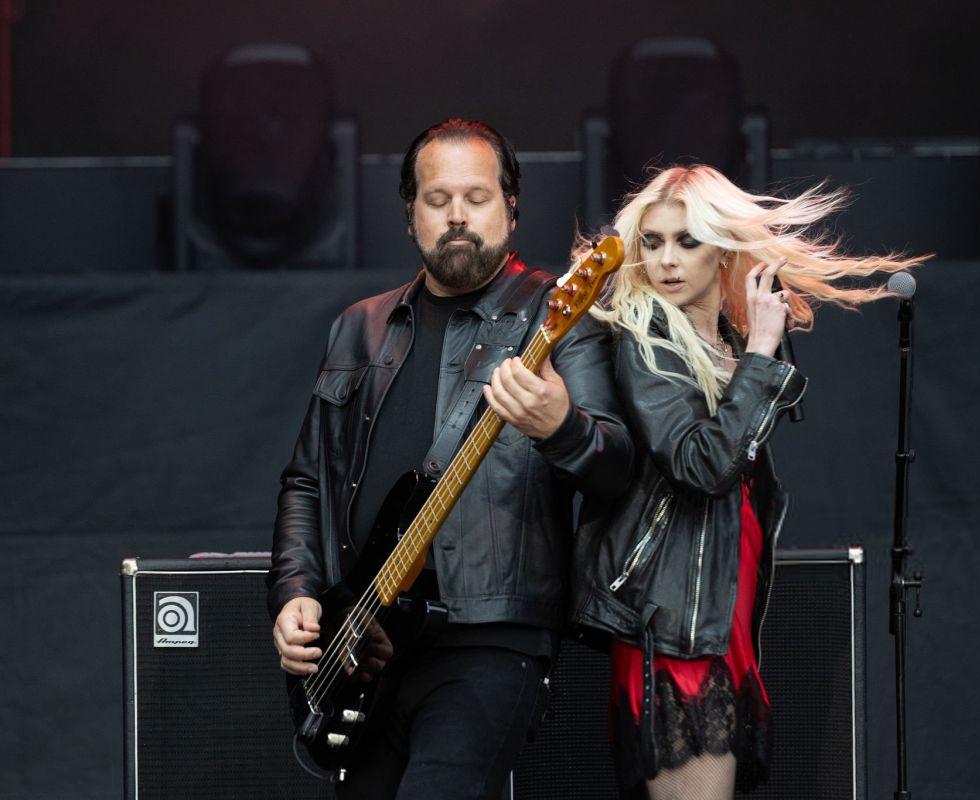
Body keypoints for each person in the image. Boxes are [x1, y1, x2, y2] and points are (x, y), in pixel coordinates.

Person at [267, 118, 633, 800]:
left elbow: (618, 469)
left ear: (511, 207)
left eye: (477, 196)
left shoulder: (557, 314)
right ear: (411, 215)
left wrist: (562, 427)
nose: (457, 215)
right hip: (367, 644)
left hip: (489, 640)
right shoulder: (360, 326)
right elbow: (306, 481)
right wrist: (295, 593)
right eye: (437, 199)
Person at [572, 165, 924, 799]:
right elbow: (702, 464)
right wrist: (761, 356)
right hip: (677, 627)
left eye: (687, 241)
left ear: (723, 250)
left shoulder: (726, 341)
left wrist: (754, 353)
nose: (666, 260)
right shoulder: (647, 337)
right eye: (652, 242)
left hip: (716, 621)